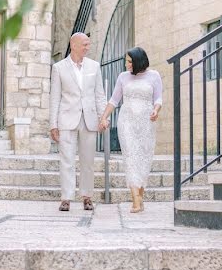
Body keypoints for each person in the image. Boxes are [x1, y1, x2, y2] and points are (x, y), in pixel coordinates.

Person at [98, 47, 162, 213]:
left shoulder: (154, 76)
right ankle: (135, 200)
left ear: (139, 61)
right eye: (126, 61)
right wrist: (104, 117)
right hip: (126, 121)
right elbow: (114, 99)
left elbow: (158, 98)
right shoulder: (123, 77)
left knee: (144, 158)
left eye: (130, 61)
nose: (126, 64)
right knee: (130, 157)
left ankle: (140, 197)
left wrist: (156, 110)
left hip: (146, 122)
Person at [49, 33, 107, 212]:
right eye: (84, 44)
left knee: (88, 160)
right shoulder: (59, 68)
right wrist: (53, 124)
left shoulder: (94, 66)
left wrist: (103, 117)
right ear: (73, 45)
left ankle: (87, 196)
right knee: (66, 160)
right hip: (66, 119)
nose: (87, 47)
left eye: (88, 44)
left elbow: (99, 95)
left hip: (89, 120)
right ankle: (66, 197)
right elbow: (55, 97)